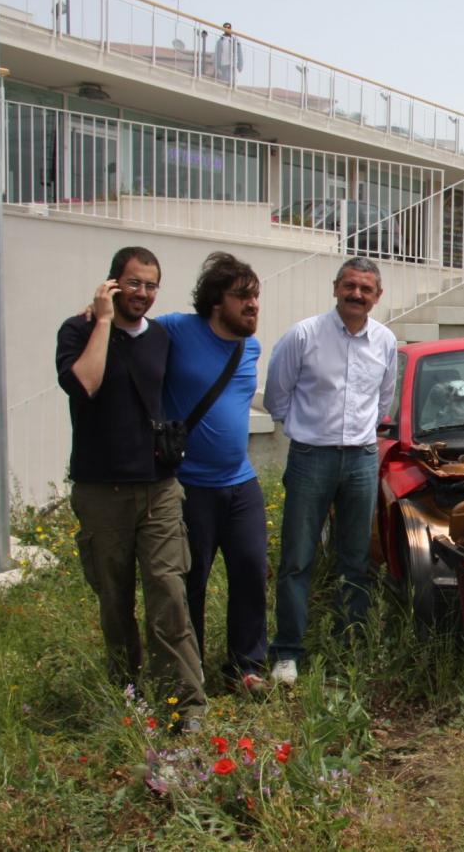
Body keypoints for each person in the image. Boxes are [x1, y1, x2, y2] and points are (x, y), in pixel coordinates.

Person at [55, 246, 206, 728]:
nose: (142, 293)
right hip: (101, 491)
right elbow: (86, 386)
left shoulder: (161, 336)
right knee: (115, 600)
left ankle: (187, 703)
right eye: (134, 283)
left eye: (151, 285)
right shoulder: (78, 331)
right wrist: (102, 321)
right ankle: (128, 694)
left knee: (169, 592)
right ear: (113, 284)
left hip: (158, 487)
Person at [263, 256, 397, 685]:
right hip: (311, 459)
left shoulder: (385, 342)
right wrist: (309, 432)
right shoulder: (303, 336)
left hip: (360, 460)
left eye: (366, 289)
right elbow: (277, 398)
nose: (357, 294)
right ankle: (288, 652)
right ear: (335, 287)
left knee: (355, 559)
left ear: (377, 297)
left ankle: (349, 648)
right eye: (350, 286)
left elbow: (384, 400)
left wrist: (359, 438)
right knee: (297, 559)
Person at [157, 252, 268, 695]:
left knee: (251, 571)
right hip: (189, 486)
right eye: (243, 296)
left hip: (240, 482)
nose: (254, 304)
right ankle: (191, 669)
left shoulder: (250, 346)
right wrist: (98, 316)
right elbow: (131, 333)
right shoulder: (176, 330)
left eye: (256, 295)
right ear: (215, 301)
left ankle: (247, 667)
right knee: (192, 580)